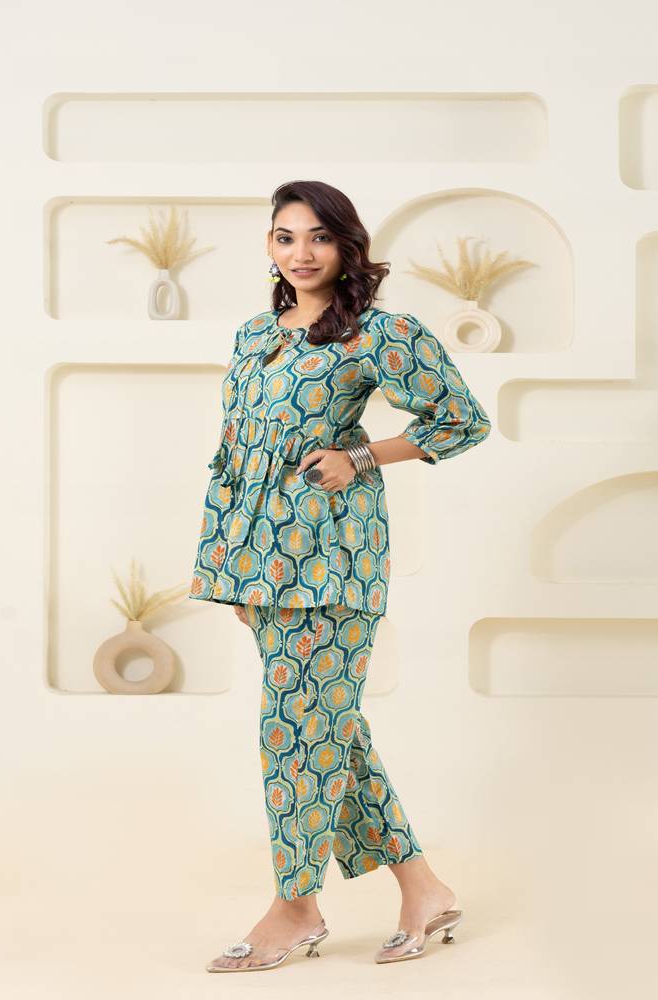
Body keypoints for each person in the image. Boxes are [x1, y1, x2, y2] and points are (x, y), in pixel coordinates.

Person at [189, 180, 491, 971]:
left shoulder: (379, 332)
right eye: (286, 237)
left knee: (293, 730)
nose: (302, 253)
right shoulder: (255, 335)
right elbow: (235, 456)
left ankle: (296, 907)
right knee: (329, 727)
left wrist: (360, 454)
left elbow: (462, 420)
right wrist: (232, 571)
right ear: (270, 246)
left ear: (346, 244)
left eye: (319, 237)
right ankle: (424, 889)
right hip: (261, 563)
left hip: (332, 559)